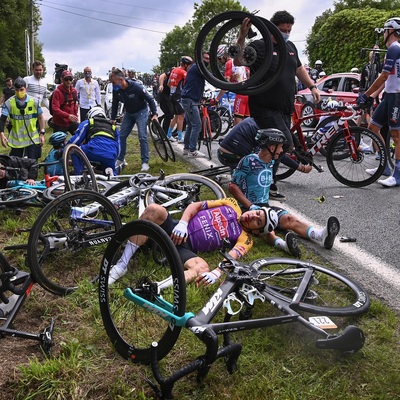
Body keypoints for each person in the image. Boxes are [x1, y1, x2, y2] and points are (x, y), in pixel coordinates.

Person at [235, 11, 320, 201]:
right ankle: (263, 181)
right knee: (284, 142)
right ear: (272, 27)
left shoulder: (289, 47)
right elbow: (238, 60)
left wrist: (312, 86)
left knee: (274, 144)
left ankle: (260, 180)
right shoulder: (259, 46)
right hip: (264, 106)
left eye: (289, 30)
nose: (286, 33)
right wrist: (242, 36)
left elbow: (298, 69)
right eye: (283, 30)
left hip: (284, 108)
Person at [107, 197, 279, 286]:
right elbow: (195, 206)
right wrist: (183, 223)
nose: (253, 217)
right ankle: (121, 266)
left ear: (257, 231)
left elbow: (232, 257)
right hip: (176, 228)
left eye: (258, 221)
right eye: (257, 213)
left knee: (202, 267)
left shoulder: (246, 239)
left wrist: (216, 273)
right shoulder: (231, 204)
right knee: (153, 209)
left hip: (186, 248)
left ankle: (158, 287)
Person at [228, 129, 341, 255]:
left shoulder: (271, 161)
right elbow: (232, 186)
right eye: (280, 147)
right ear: (271, 147)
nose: (282, 151)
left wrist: (301, 166)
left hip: (265, 207)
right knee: (267, 229)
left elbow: (286, 159)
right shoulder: (249, 161)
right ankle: (284, 246)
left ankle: (321, 236)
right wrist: (250, 206)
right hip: (248, 209)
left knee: (289, 219)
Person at [357, 17, 400, 187]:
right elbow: (387, 79)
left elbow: (383, 76)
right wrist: (373, 95)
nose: (383, 34)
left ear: (390, 31)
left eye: (384, 30)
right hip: (389, 95)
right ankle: (384, 167)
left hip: (397, 96)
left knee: (397, 136)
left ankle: (398, 174)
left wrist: (366, 95)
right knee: (373, 128)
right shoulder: (393, 49)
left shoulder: (395, 48)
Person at [218, 116, 312, 174]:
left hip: (223, 153)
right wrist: (301, 168)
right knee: (266, 159)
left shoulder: (257, 119)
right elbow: (275, 153)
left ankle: (236, 172)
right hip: (233, 157)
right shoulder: (265, 131)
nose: (282, 150)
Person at [110, 68, 158, 172]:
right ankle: (120, 159)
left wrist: (155, 114)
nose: (113, 85)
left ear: (121, 79)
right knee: (121, 136)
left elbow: (150, 99)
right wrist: (113, 118)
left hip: (141, 111)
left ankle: (145, 162)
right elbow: (114, 104)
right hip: (129, 113)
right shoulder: (116, 90)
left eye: (114, 82)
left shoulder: (136, 87)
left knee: (142, 136)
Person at [0, 77, 45, 160]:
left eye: (21, 89)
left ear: (26, 88)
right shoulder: (9, 103)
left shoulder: (34, 101)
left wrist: (42, 133)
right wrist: (2, 133)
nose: (19, 92)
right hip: (17, 140)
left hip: (32, 139)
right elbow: (2, 120)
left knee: (32, 165)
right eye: (16, 90)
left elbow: (41, 117)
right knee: (14, 166)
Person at [67, 106, 120, 176]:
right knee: (111, 176)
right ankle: (113, 179)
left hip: (93, 150)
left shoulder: (88, 122)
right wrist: (113, 157)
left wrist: (65, 149)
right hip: (110, 154)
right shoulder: (114, 128)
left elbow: (76, 139)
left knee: (75, 151)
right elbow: (119, 148)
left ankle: (79, 176)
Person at [181, 52, 210, 157]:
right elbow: (210, 77)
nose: (208, 61)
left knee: (190, 125)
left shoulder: (197, 68)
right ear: (200, 59)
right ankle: (192, 151)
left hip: (189, 99)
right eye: (206, 58)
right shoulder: (198, 67)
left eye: (208, 59)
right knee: (197, 125)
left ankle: (186, 148)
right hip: (190, 100)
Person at [215, 45, 250, 126]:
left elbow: (225, 84)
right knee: (247, 124)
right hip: (249, 95)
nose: (220, 61)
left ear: (225, 55)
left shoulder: (229, 63)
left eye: (220, 58)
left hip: (240, 95)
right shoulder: (242, 63)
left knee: (238, 125)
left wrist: (217, 99)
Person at [167, 56, 194, 142]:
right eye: (189, 65)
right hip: (178, 96)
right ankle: (179, 137)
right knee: (181, 117)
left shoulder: (174, 70)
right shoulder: (183, 72)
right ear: (185, 65)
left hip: (172, 95)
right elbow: (188, 85)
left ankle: (168, 135)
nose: (190, 67)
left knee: (176, 117)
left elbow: (168, 84)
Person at [50, 70, 79, 135]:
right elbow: (55, 109)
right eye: (66, 79)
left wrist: (75, 116)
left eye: (70, 79)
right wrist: (68, 116)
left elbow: (75, 105)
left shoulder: (74, 91)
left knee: (82, 138)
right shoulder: (57, 92)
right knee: (58, 143)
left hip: (71, 122)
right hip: (60, 123)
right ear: (62, 80)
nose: (68, 81)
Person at [158, 69, 175, 133]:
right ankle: (164, 133)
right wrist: (161, 85)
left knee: (176, 112)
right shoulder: (174, 70)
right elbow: (162, 76)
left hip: (173, 95)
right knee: (169, 113)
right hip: (164, 93)